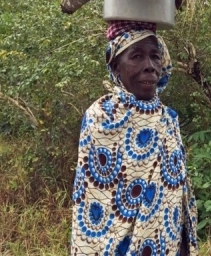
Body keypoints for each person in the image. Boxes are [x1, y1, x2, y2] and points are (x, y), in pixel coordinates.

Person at [70, 20, 198, 256]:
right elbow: (90, 201)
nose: (150, 66)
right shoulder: (101, 117)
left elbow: (177, 197)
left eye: (155, 56)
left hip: (165, 245)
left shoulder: (168, 119)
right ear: (116, 66)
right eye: (137, 56)